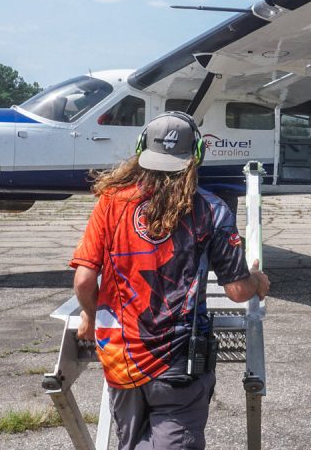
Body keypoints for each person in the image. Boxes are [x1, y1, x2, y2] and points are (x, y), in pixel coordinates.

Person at [70, 111, 270, 450]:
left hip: (122, 360)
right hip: (179, 364)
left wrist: (89, 315)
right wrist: (257, 280)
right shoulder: (212, 210)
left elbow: (84, 280)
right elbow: (237, 291)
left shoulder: (110, 203)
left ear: (141, 149)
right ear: (197, 156)